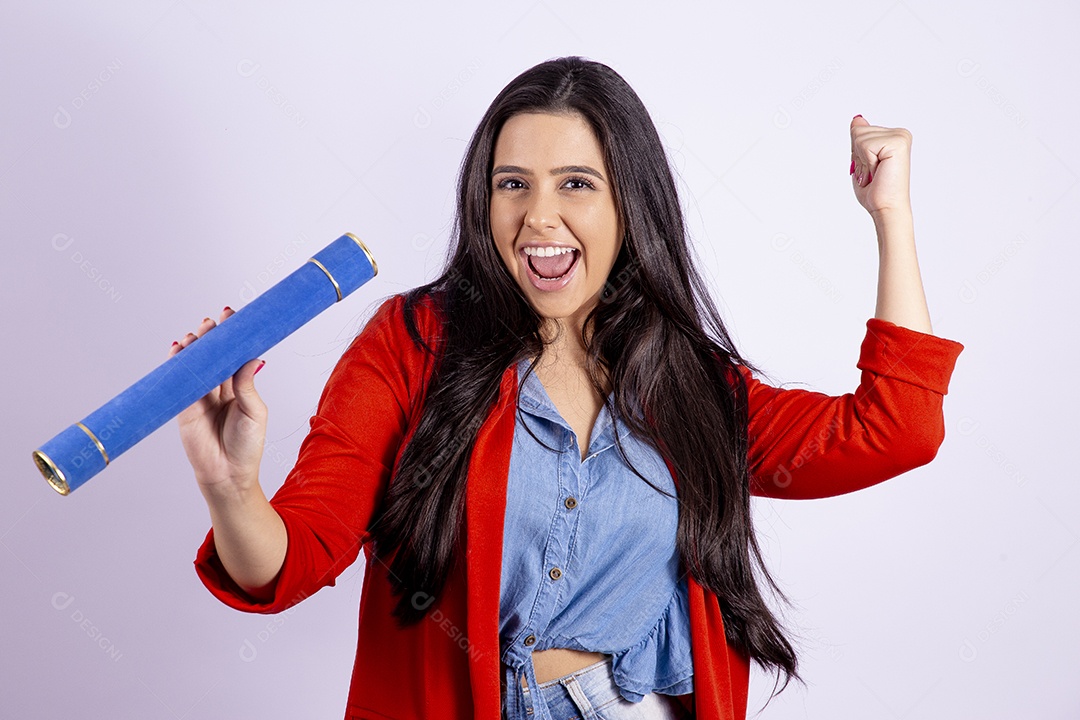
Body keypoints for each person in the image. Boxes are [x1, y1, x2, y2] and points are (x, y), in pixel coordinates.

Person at [172, 57, 964, 720]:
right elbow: (289, 560)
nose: (537, 217)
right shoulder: (413, 344)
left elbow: (895, 429)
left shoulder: (687, 382)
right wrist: (230, 482)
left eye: (576, 183)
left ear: (630, 203)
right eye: (512, 183)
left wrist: (889, 215)